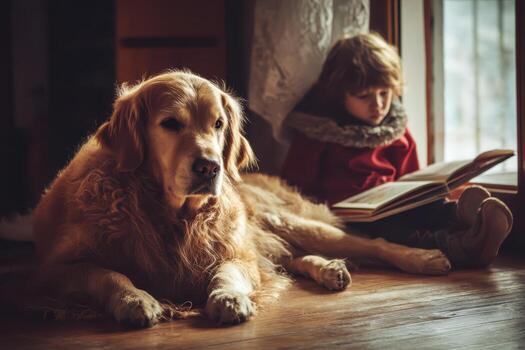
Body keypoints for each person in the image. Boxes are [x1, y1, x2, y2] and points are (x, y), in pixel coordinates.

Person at [281, 32, 513, 268]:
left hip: (395, 206)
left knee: (430, 209)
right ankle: (463, 247)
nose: (378, 105)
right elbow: (293, 191)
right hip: (354, 221)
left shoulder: (396, 131)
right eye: (364, 96)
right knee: (398, 232)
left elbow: (411, 180)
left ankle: (466, 218)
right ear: (339, 96)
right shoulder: (318, 134)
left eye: (385, 93)